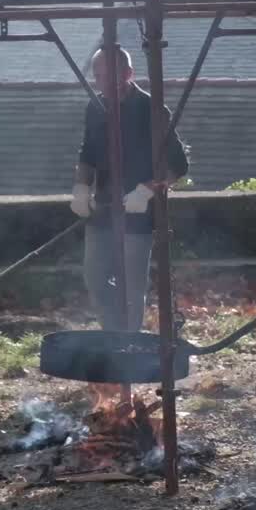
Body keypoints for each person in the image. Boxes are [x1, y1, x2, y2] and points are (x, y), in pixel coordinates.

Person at [71, 45, 189, 334]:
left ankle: (130, 342)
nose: (102, 83)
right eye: (97, 75)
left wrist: (146, 190)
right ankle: (114, 337)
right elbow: (87, 153)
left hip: (139, 214)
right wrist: (81, 188)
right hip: (103, 210)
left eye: (109, 76)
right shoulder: (94, 107)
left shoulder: (152, 109)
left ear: (128, 74)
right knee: (95, 278)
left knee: (131, 288)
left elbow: (178, 165)